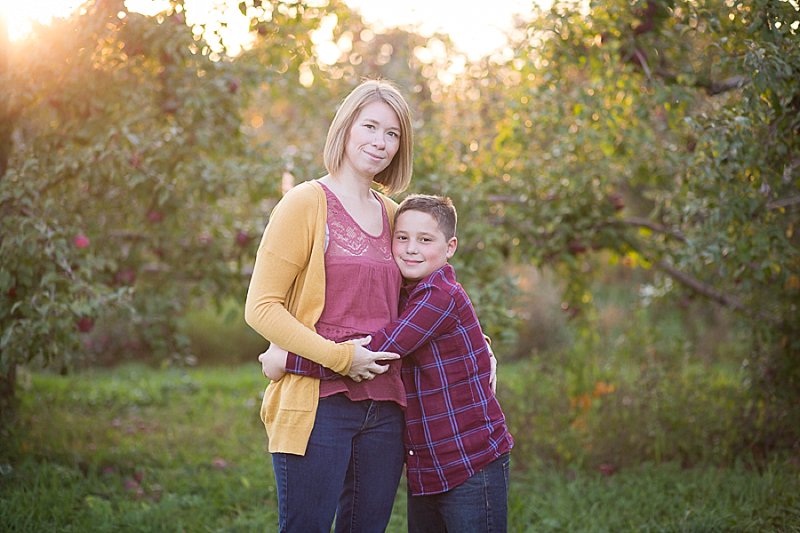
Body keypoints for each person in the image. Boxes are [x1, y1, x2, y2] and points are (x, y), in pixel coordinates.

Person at [261, 195, 514, 533]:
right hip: (428, 466)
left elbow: (375, 352)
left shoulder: (439, 295)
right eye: (402, 238)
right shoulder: (406, 292)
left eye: (425, 240)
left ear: (450, 247)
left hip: (470, 458)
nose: (411, 249)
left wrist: (287, 360)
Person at [244, 79, 415, 533]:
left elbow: (430, 298)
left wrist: (480, 345)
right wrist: (341, 358)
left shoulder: (395, 215)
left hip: (385, 406)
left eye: (392, 134)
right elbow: (261, 307)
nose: (380, 142)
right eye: (370, 126)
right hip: (318, 404)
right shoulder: (304, 203)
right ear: (346, 127)